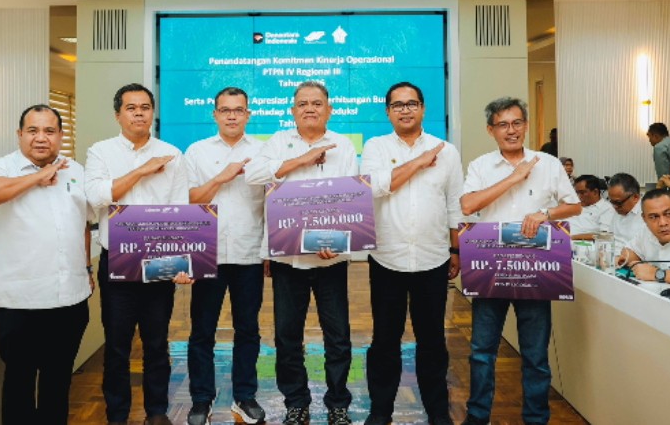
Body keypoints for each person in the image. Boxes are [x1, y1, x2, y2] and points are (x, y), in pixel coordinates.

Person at [460, 97, 580, 425]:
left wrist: (546, 214)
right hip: (490, 269)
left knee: (535, 355)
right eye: (503, 124)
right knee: (481, 353)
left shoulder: (549, 164)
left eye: (516, 123)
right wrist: (515, 177)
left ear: (526, 125)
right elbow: (468, 206)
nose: (511, 130)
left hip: (535, 269)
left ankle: (536, 419)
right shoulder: (481, 166)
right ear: (491, 130)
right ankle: (477, 417)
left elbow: (574, 206)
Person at [246, 81, 358, 425]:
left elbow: (351, 198)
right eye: (303, 103)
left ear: (329, 109)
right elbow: (253, 175)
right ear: (293, 111)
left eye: (317, 103)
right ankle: (296, 402)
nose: (310, 108)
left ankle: (338, 404)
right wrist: (301, 160)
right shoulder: (278, 142)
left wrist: (336, 240)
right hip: (287, 259)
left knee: (338, 337)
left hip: (331, 258)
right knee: (287, 337)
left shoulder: (343, 146)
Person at [0, 104, 93, 425]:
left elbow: (83, 223)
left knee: (58, 382)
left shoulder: (75, 170)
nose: (41, 138)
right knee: (19, 383)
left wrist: (87, 268)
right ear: (20, 134)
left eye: (49, 131)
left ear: (61, 135)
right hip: (21, 302)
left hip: (70, 297)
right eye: (33, 131)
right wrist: (38, 176)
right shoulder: (1, 166)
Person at [84, 83, 190, 425]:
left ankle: (157, 412)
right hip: (118, 261)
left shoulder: (172, 154)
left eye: (145, 107)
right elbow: (97, 197)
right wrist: (143, 169)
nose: (139, 113)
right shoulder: (100, 152)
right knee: (117, 345)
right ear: (118, 115)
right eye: (131, 108)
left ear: (153, 113)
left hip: (160, 261)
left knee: (157, 343)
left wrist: (182, 262)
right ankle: (117, 415)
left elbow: (180, 210)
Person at [360, 82, 463, 425]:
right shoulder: (375, 147)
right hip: (387, 258)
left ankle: (437, 411)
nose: (405, 110)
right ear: (388, 112)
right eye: (398, 105)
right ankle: (380, 411)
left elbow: (454, 204)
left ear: (423, 108)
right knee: (384, 341)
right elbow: (374, 187)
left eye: (412, 103)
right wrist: (419, 162)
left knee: (432, 341)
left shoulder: (447, 151)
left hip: (433, 258)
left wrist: (456, 249)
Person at [183, 87, 266, 425]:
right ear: (215, 114)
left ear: (248, 114)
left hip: (249, 253)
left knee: (248, 330)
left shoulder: (263, 152)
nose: (232, 115)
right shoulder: (197, 151)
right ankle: (201, 399)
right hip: (208, 254)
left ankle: (245, 396)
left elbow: (275, 203)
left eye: (238, 109)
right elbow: (190, 200)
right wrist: (221, 177)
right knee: (202, 332)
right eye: (225, 110)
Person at [567, 174, 615, 240]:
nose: (578, 196)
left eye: (582, 193)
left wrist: (572, 237)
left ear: (595, 192)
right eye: (576, 193)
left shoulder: (606, 209)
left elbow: (605, 235)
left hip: (580, 243)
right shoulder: (573, 204)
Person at [606, 173, 646, 248]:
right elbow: (610, 237)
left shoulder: (647, 212)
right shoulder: (618, 209)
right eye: (612, 202)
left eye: (618, 203)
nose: (614, 207)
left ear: (635, 197)